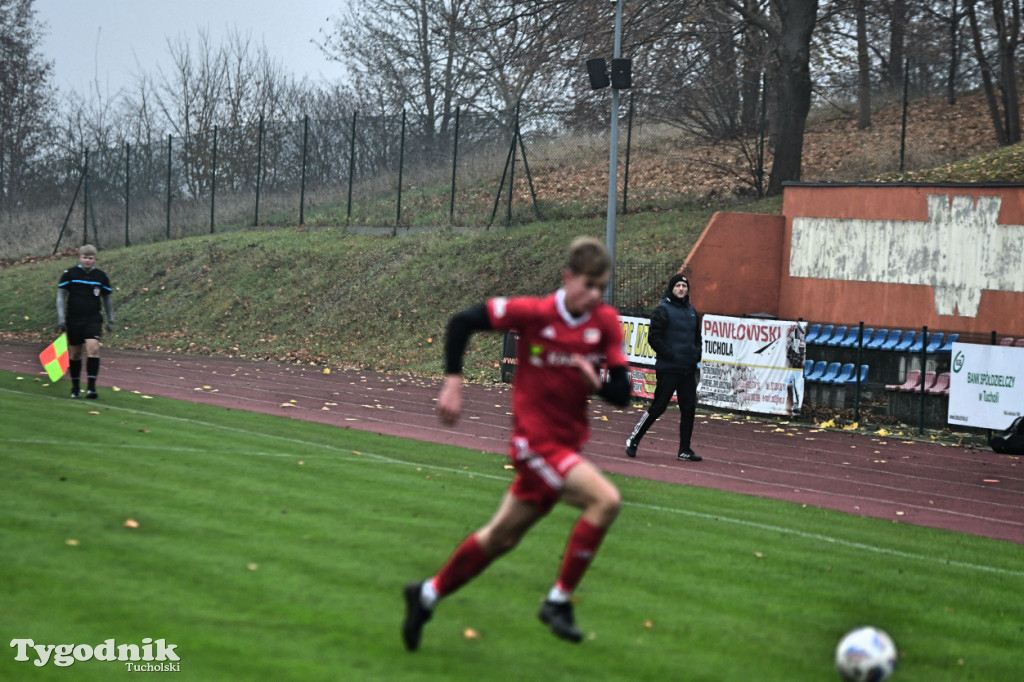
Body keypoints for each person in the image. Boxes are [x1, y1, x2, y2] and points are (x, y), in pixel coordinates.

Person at [402, 236, 632, 651]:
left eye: (602, 286)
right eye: (589, 285)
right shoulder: (534, 313)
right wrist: (453, 381)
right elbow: (461, 322)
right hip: (533, 446)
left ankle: (425, 595)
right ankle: (559, 601)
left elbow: (622, 393)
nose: (596, 294)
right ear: (568, 278)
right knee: (606, 500)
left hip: (565, 448)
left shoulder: (605, 323)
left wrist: (594, 383)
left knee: (499, 540)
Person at [625, 273, 703, 462]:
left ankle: (684, 450)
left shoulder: (692, 312)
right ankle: (633, 440)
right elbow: (653, 338)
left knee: (689, 408)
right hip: (668, 368)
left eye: (684, 286)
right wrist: (670, 355)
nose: (681, 289)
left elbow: (697, 339)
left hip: (687, 369)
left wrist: (695, 355)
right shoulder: (663, 310)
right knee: (658, 407)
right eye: (678, 286)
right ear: (672, 288)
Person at [57, 244, 114, 399]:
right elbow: (61, 296)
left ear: (95, 259)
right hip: (74, 318)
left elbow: (107, 299)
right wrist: (61, 319)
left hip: (93, 319)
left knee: (93, 348)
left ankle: (91, 388)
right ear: (79, 258)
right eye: (84, 257)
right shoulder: (70, 274)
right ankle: (75, 387)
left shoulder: (101, 276)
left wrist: (111, 319)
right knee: (75, 353)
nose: (87, 260)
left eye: (90, 258)